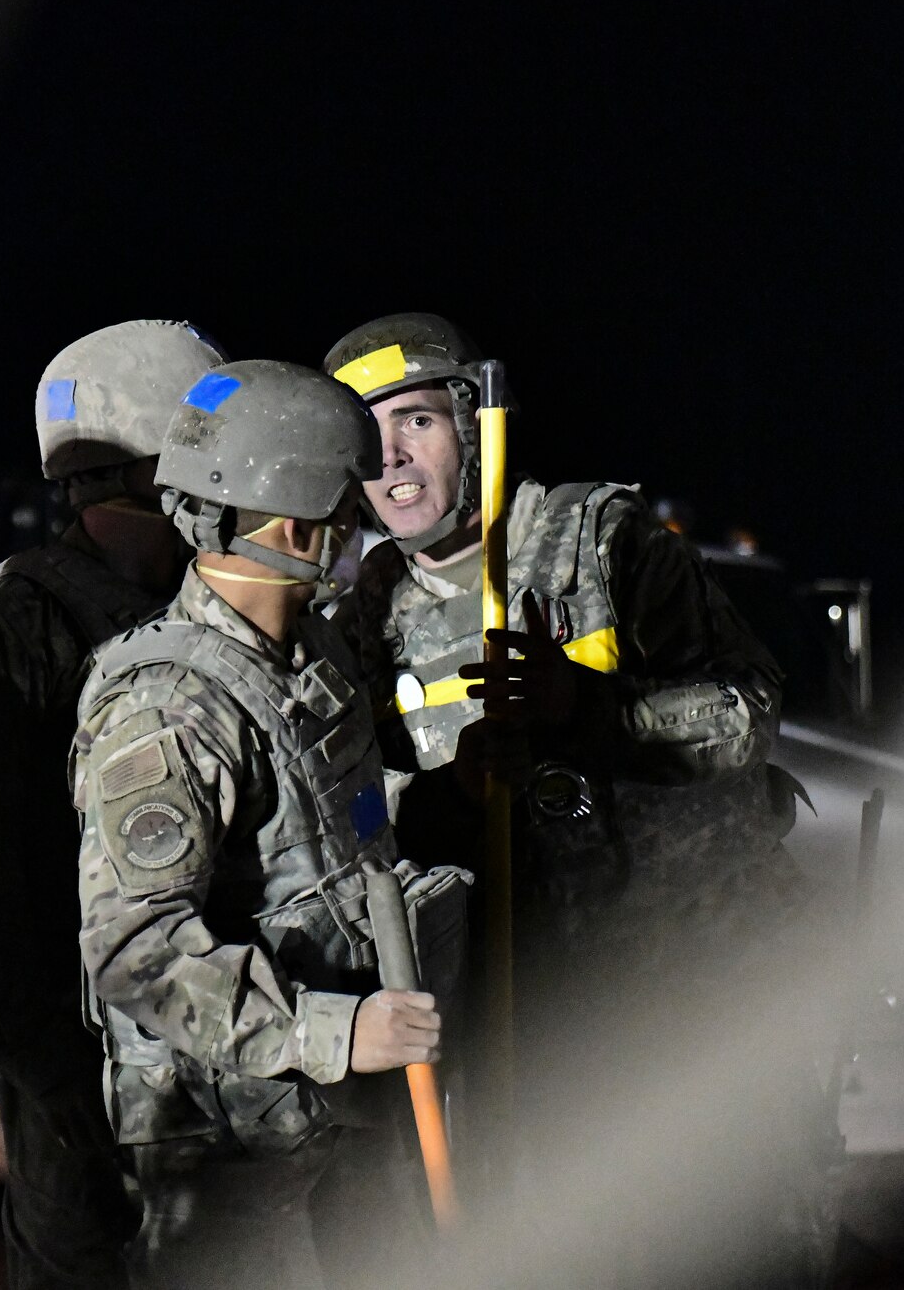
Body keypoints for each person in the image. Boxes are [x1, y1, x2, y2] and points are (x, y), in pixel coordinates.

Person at [326, 312, 832, 1287]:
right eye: (363, 438)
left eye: (415, 422)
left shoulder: (594, 539)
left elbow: (744, 713)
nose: (388, 457)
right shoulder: (360, 610)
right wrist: (441, 795)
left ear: (470, 423)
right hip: (530, 1035)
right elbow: (348, 807)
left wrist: (588, 709)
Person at [75, 359, 469, 1290]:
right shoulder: (170, 706)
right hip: (234, 1156)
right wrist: (336, 1034)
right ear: (299, 526)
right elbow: (136, 949)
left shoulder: (308, 647)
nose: (356, 536)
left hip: (340, 1122)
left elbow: (333, 825)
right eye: (348, 513)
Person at [0, 320, 226, 1287]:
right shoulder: (8, 632)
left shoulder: (199, 614)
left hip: (211, 1053)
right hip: (86, 1074)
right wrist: (59, 1072)